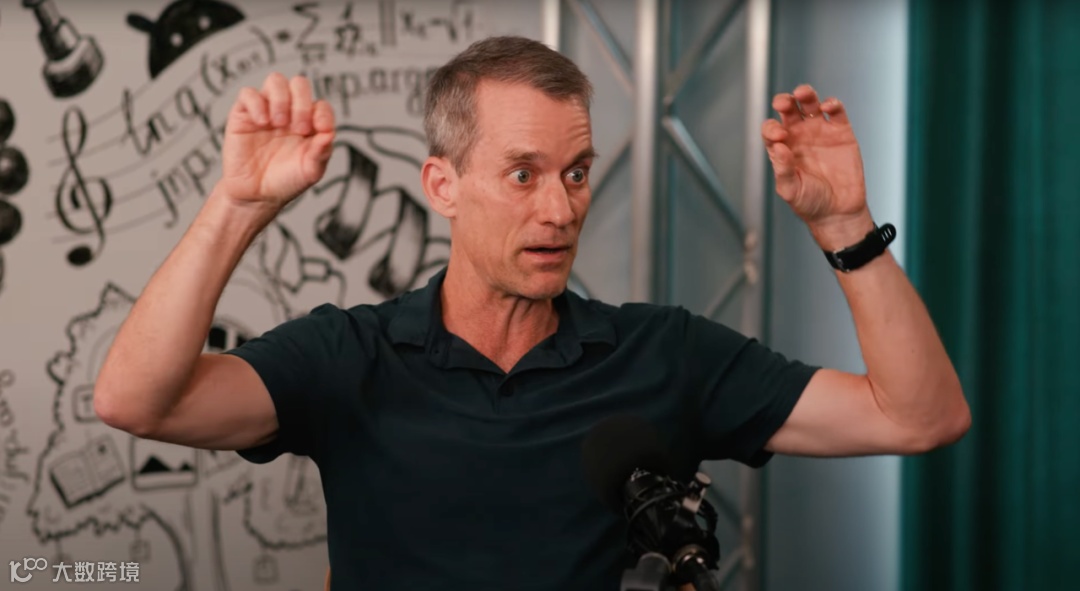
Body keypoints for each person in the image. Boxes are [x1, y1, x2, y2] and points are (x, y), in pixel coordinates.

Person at [94, 35, 970, 591]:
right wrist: (240, 206)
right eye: (523, 174)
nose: (560, 209)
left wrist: (844, 225)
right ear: (443, 185)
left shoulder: (663, 352)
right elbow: (136, 400)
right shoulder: (351, 355)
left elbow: (919, 416)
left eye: (576, 172)